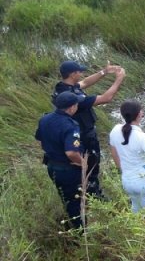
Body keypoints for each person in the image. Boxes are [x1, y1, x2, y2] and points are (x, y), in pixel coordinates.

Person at [52, 60, 126, 198]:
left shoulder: (62, 88)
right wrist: (119, 79)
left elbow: (85, 83)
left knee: (85, 168)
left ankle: (87, 193)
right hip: (84, 136)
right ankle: (94, 196)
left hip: (78, 134)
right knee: (91, 167)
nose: (82, 73)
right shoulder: (75, 99)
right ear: (73, 74)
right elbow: (106, 98)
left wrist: (104, 71)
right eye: (79, 71)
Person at [36, 91, 85, 229]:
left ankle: (73, 225)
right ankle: (81, 232)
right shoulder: (70, 125)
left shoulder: (45, 119)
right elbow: (71, 152)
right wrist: (83, 164)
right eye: (76, 105)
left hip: (52, 167)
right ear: (71, 108)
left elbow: (40, 141)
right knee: (75, 201)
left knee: (66, 198)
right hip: (68, 169)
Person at [109, 100, 145, 213]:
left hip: (127, 181)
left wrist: (125, 170)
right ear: (140, 114)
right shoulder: (142, 137)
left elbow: (115, 155)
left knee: (136, 212)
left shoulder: (115, 131)